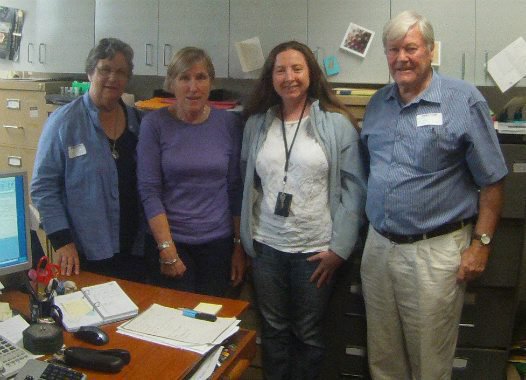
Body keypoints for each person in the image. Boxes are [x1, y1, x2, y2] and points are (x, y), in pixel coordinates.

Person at [360, 10, 508, 379]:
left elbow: (493, 181)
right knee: (383, 359)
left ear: (430, 50)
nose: (402, 58)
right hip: (378, 248)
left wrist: (482, 244)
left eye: (411, 48)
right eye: (393, 50)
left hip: (433, 253)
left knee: (429, 363)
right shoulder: (378, 103)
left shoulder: (463, 100)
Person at [240, 40, 367, 380]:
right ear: (271, 77)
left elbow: (355, 189)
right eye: (280, 70)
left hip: (316, 251)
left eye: (297, 68)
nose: (289, 77)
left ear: (311, 74)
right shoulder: (256, 124)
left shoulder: (336, 124)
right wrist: (245, 240)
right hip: (266, 247)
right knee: (274, 332)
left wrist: (339, 249)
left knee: (308, 335)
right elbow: (248, 183)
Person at [31, 38, 146, 281]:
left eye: (121, 72)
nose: (113, 78)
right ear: (90, 72)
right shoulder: (64, 122)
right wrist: (62, 242)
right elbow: (43, 187)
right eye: (105, 70)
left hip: (134, 250)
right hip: (83, 253)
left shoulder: (138, 122)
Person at [137, 47, 246, 297]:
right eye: (184, 78)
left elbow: (235, 188)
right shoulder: (154, 125)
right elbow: (149, 190)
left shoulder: (229, 124)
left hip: (219, 246)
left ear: (211, 82)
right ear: (171, 83)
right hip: (171, 244)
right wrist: (166, 248)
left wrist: (239, 246)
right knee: (176, 324)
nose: (193, 87)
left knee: (216, 323)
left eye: (201, 77)